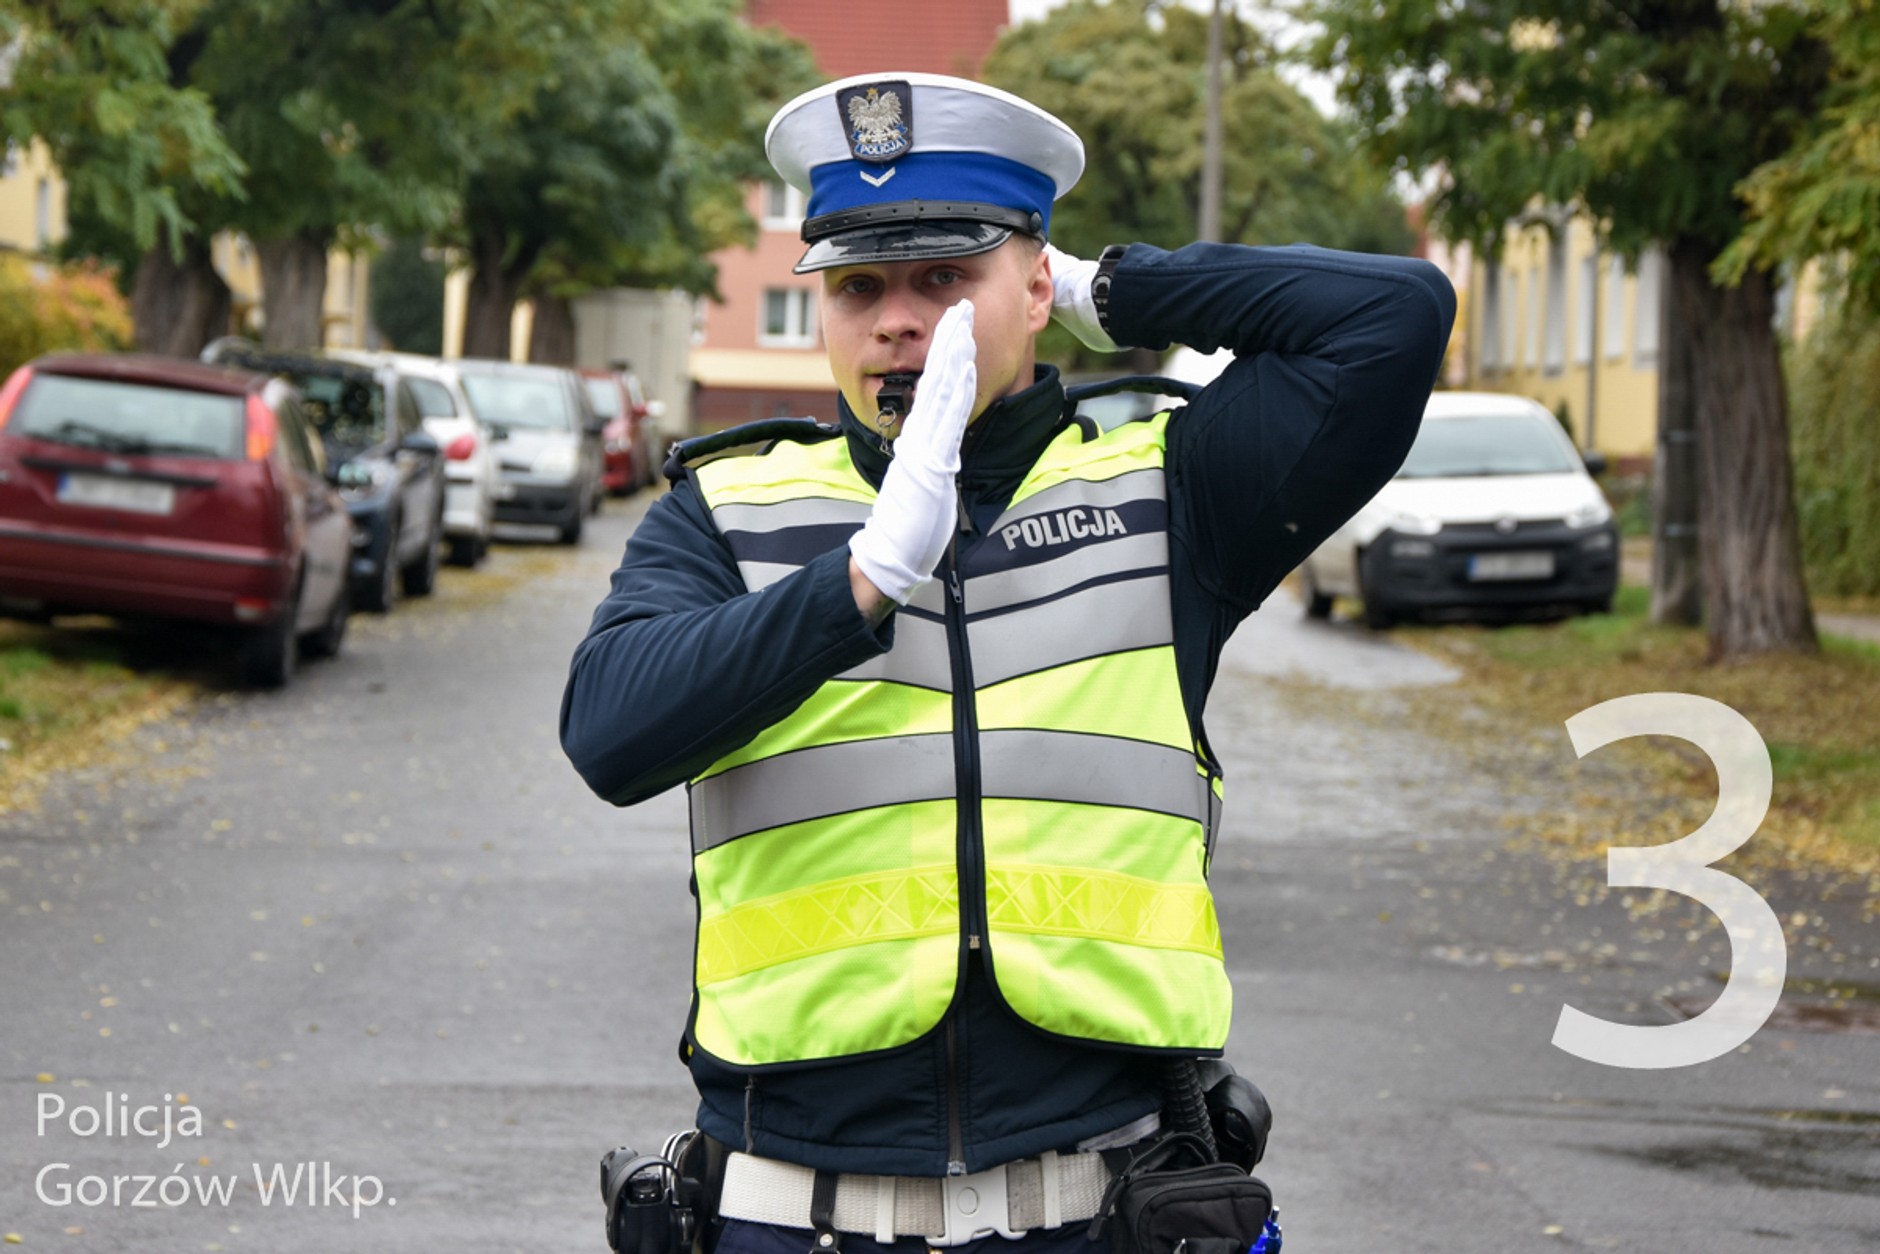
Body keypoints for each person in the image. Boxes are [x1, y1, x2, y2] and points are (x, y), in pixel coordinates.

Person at [562, 71, 1455, 1254]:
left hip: (1092, 1209)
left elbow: (1390, 318)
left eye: (945, 280)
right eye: (859, 287)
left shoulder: (1167, 486)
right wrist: (860, 579)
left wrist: (1110, 288)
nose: (897, 320)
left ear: (1030, 288)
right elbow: (609, 734)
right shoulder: (726, 513)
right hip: (795, 1214)